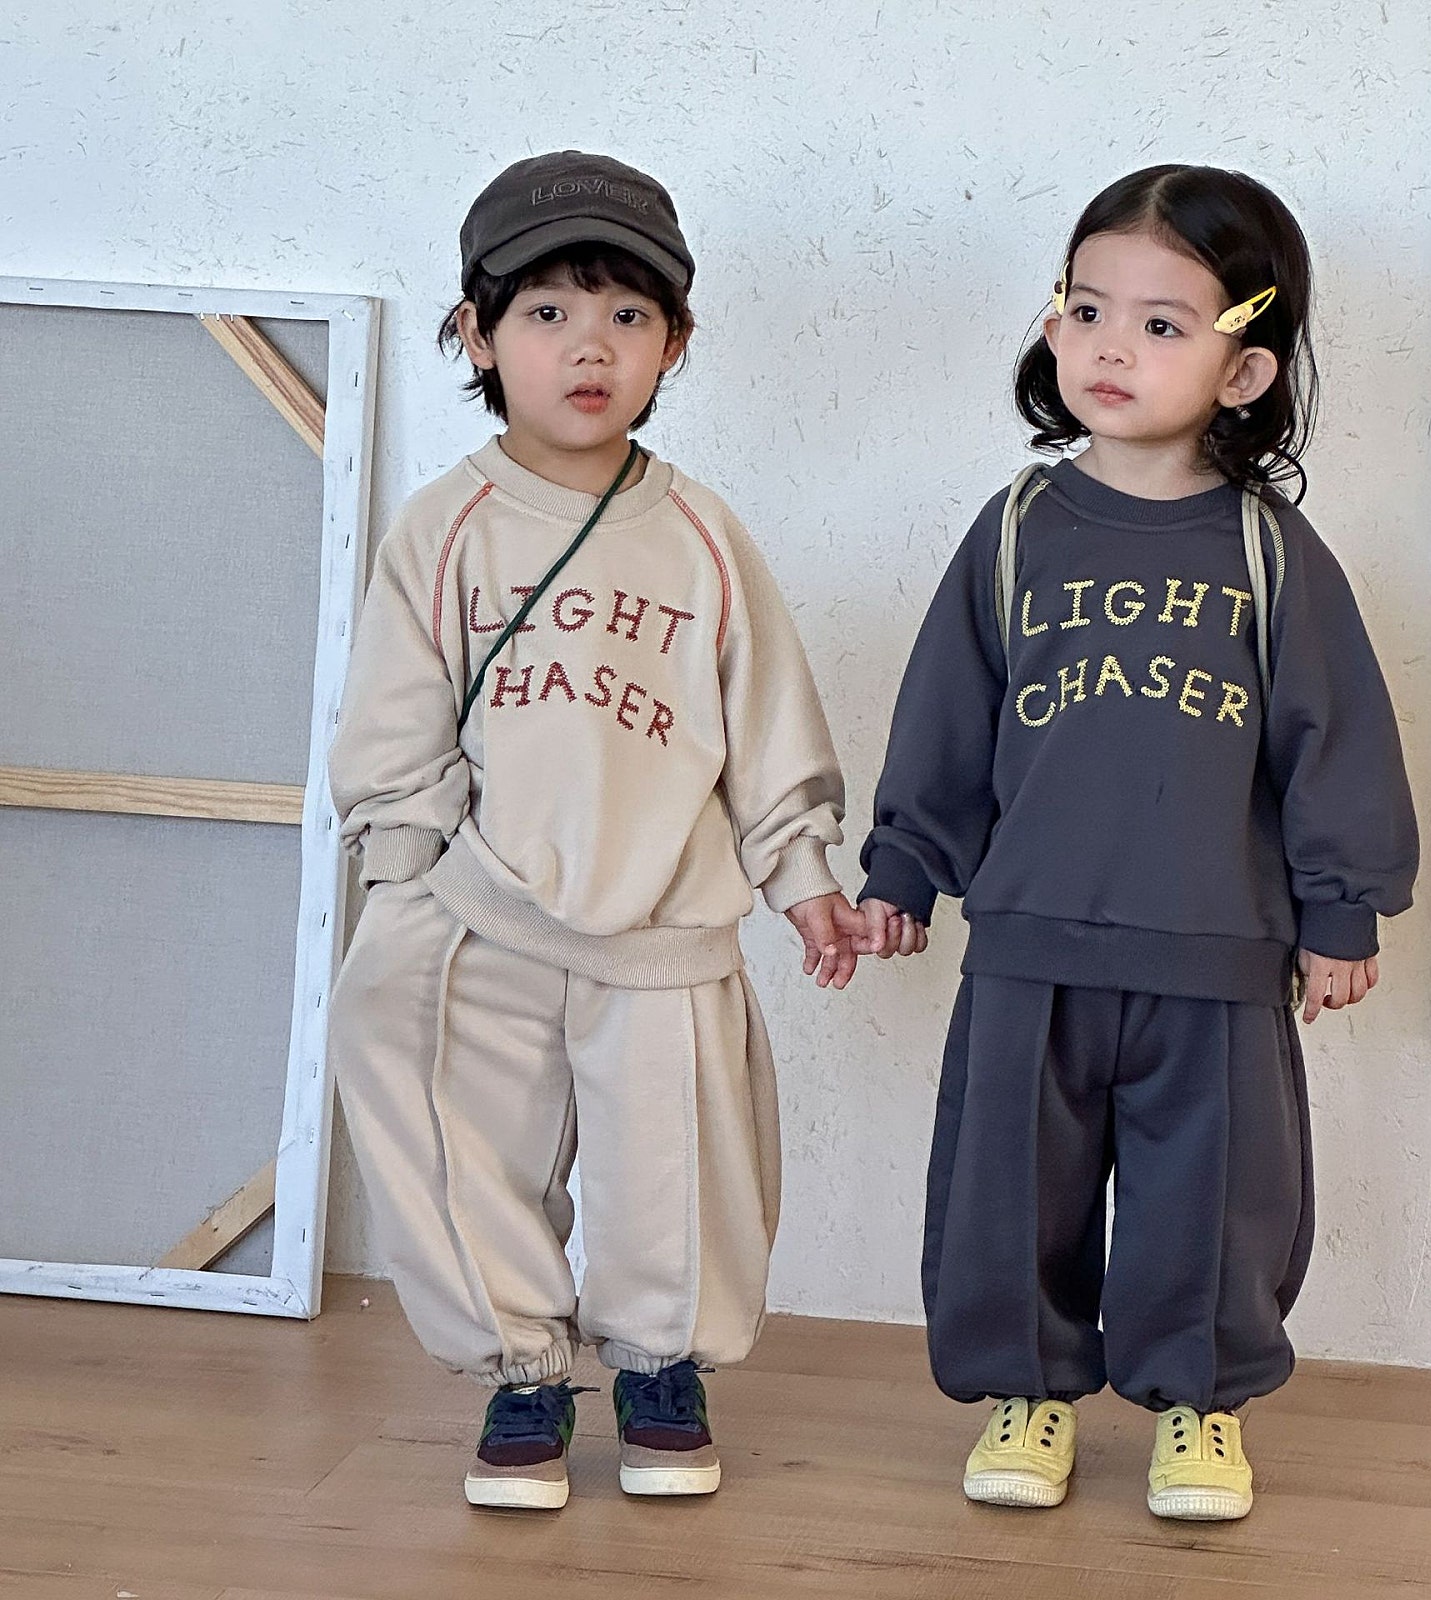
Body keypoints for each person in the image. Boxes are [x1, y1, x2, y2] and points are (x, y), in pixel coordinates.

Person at [857, 164, 1419, 1520]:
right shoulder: (1018, 531)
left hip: (1216, 954)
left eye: (1163, 324)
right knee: (1009, 1191)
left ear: (1243, 371)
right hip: (1031, 944)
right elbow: (947, 716)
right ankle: (1028, 1394)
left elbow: (1334, 735)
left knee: (1213, 1202)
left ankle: (1200, 1407)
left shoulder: (1270, 552)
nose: (1113, 346)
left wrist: (1343, 908)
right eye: (1089, 309)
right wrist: (905, 868)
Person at [327, 150, 866, 1511]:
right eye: (549, 312)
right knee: (454, 1136)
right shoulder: (444, 527)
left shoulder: (703, 536)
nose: (589, 348)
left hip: (663, 921)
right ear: (477, 333)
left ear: (674, 345)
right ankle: (521, 1371)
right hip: (484, 909)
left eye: (629, 317)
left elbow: (770, 721)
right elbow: (393, 719)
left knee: (679, 1164)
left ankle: (660, 1367)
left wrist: (801, 873)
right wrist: (408, 878)